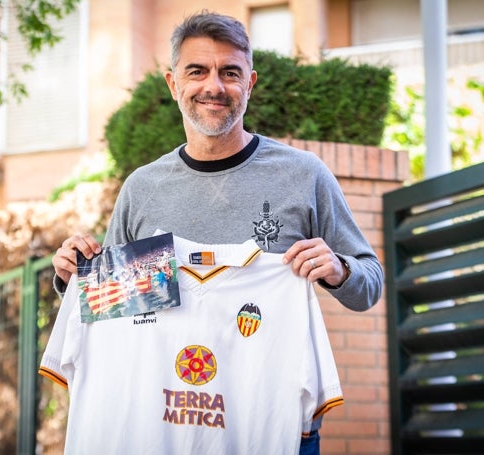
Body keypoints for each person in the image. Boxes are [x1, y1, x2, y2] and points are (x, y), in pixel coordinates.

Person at [49, 11, 383, 454]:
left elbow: (370, 284)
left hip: (265, 424)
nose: (214, 87)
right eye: (197, 71)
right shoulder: (143, 188)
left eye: (230, 73)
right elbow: (114, 310)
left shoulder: (303, 175)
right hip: (163, 427)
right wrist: (72, 275)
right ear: (173, 84)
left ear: (250, 83)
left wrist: (340, 270)